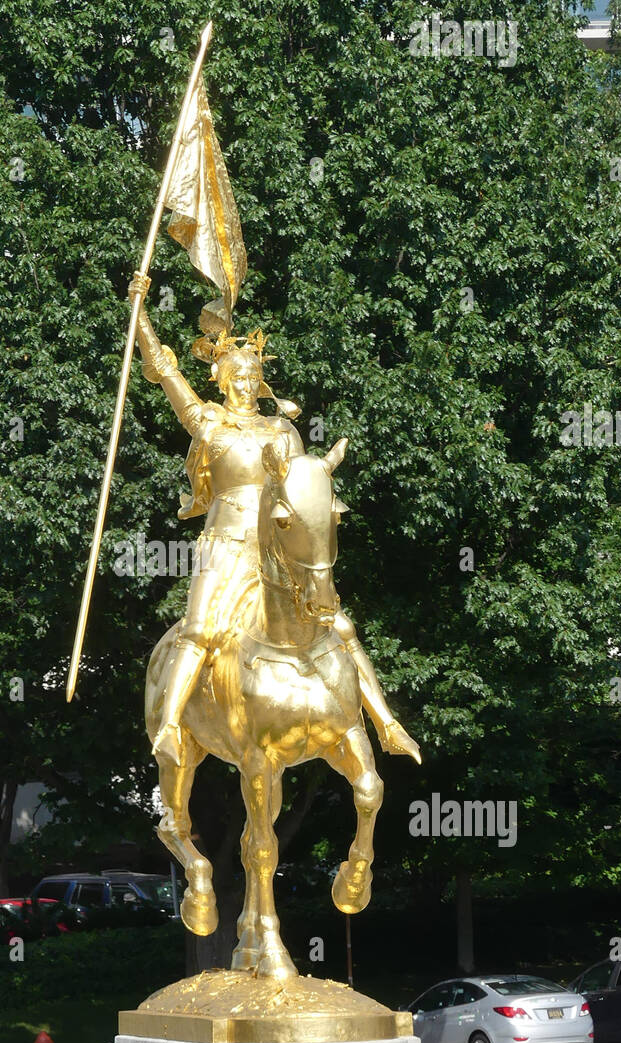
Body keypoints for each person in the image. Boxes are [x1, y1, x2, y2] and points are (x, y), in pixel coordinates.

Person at [129, 273, 420, 768]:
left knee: (339, 626)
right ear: (221, 381)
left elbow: (302, 491)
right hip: (224, 542)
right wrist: (140, 316)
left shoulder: (282, 429)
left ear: (259, 380)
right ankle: (173, 726)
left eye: (250, 376)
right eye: (234, 378)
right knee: (199, 628)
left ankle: (386, 722)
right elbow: (162, 371)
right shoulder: (207, 422)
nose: (243, 385)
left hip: (275, 545)